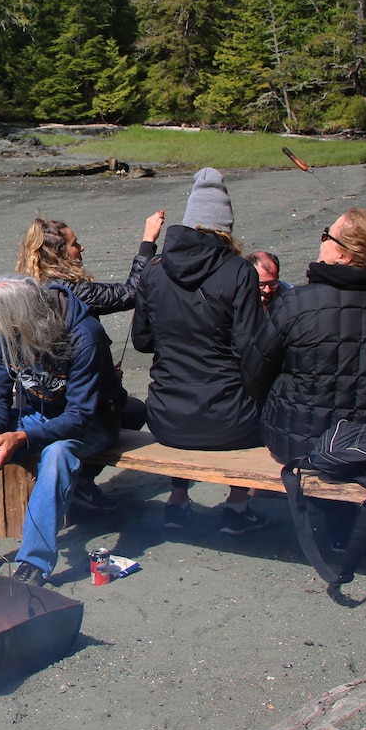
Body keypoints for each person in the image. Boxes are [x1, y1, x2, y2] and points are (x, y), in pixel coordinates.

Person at [245, 209, 366, 562]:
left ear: (344, 255)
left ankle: (344, 525)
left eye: (327, 235)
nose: (321, 240)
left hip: (301, 440)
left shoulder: (296, 302)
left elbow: (254, 373)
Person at [0, 275, 123, 585]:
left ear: (24, 319)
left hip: (93, 421)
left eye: (10, 328)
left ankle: (34, 561)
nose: (4, 332)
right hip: (39, 415)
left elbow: (80, 416)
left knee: (57, 455)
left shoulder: (85, 335)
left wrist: (22, 437)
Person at [132, 168, 267, 534]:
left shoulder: (154, 270)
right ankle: (237, 506)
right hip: (230, 422)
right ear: (226, 226)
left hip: (166, 418)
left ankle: (177, 500)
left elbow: (142, 342)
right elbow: (250, 349)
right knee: (252, 393)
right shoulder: (239, 271)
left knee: (186, 386)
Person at [14, 211, 160, 509]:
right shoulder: (73, 292)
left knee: (126, 409)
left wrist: (99, 370)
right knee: (133, 411)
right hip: (65, 405)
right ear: (58, 254)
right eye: (74, 244)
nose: (81, 249)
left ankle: (79, 482)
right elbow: (131, 292)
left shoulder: (25, 288)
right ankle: (79, 482)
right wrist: (148, 242)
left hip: (39, 397)